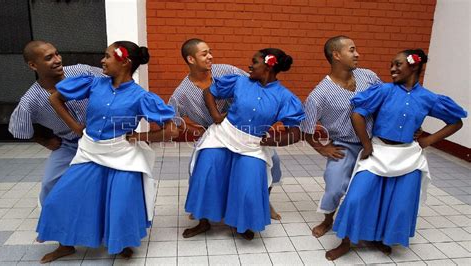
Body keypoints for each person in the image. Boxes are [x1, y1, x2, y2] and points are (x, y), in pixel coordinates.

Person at [36, 41, 178, 263]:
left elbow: (172, 131)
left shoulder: (141, 97)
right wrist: (75, 127)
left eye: (107, 56)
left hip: (123, 156)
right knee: (61, 198)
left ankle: (122, 242)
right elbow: (55, 98)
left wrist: (141, 137)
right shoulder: (94, 84)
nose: (102, 60)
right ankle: (65, 245)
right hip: (90, 151)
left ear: (124, 62)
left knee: (121, 203)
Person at [326, 49, 467, 260]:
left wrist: (428, 140)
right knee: (357, 197)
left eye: (398, 64)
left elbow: (456, 121)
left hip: (408, 157)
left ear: (414, 65)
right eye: (392, 64)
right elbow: (358, 113)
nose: (392, 68)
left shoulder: (428, 98)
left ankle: (379, 237)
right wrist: (366, 144)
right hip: (379, 151)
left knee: (398, 203)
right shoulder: (383, 91)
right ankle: (346, 241)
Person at [184, 48, 305, 240]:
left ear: (268, 65)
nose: (250, 65)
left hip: (253, 144)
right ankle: (203, 222)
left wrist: (274, 140)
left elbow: (295, 132)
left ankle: (244, 223)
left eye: (254, 62)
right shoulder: (239, 81)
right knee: (206, 172)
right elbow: (209, 92)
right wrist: (215, 115)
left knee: (249, 183)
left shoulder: (284, 97)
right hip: (222, 135)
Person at [169, 38, 283, 222]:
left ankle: (263, 201)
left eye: (210, 52)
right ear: (191, 59)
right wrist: (193, 129)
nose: (210, 57)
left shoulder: (227, 70)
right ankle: (202, 206)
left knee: (273, 161)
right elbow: (172, 119)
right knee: (198, 167)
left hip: (246, 129)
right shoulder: (182, 93)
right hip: (214, 133)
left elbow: (254, 83)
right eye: (204, 54)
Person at [300, 36, 382, 238]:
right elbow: (305, 129)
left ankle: (370, 226)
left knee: (373, 187)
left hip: (375, 143)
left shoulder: (369, 77)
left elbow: (387, 101)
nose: (357, 54)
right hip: (344, 145)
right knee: (334, 187)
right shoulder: (319, 95)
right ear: (336, 55)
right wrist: (323, 148)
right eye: (352, 50)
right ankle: (328, 220)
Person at [8, 40, 105, 205]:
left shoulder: (82, 71)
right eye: (48, 58)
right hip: (70, 145)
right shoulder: (31, 100)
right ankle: (50, 219)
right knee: (49, 184)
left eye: (57, 54)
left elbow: (112, 82)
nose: (57, 60)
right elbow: (18, 129)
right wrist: (45, 141)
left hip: (103, 139)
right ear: (33, 65)